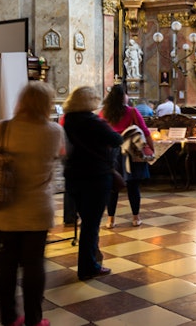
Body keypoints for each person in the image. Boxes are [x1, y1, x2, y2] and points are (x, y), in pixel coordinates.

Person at [0, 81, 63, 326]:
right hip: (37, 210)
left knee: (7, 265)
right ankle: (34, 320)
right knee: (34, 265)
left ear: (21, 101)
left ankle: (10, 318)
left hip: (3, 209)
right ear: (47, 104)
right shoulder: (54, 131)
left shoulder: (2, 129)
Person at [61, 86, 122, 280]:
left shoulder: (68, 121)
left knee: (85, 221)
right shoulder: (93, 121)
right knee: (91, 224)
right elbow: (116, 139)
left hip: (74, 175)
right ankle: (88, 266)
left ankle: (90, 261)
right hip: (95, 176)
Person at [103, 85, 154, 228]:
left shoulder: (104, 113)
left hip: (111, 151)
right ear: (123, 96)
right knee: (133, 186)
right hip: (130, 152)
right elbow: (145, 131)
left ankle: (110, 220)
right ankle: (135, 218)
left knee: (112, 186)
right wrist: (151, 148)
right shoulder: (132, 111)